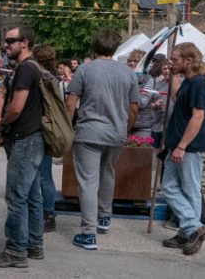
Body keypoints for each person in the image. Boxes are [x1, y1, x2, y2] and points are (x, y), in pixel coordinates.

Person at [65, 29, 139, 251]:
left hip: (89, 131)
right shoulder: (128, 73)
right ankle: (105, 218)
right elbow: (134, 107)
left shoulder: (85, 70)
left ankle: (88, 232)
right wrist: (125, 128)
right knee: (107, 173)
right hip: (115, 133)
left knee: (88, 181)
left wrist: (67, 128)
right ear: (115, 48)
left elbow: (70, 103)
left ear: (94, 46)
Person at [0, 25, 44, 269]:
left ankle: (16, 250)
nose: (6, 45)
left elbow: (17, 107)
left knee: (17, 197)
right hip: (33, 138)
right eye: (5, 41)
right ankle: (33, 243)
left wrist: (2, 124)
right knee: (32, 195)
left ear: (26, 43)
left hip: (25, 139)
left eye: (11, 41)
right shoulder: (33, 68)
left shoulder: (25, 70)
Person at [160, 42, 205, 256]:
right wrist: (171, 77)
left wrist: (182, 145)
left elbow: (197, 116)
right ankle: (191, 227)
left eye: (175, 59)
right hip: (177, 144)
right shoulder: (188, 81)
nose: (171, 62)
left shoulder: (200, 83)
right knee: (169, 186)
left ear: (188, 61)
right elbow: (177, 101)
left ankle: (192, 230)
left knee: (190, 189)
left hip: (188, 146)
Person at [32, 43, 60, 233]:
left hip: (41, 128)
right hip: (50, 129)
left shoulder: (41, 78)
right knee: (45, 174)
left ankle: (46, 213)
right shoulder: (54, 78)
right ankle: (48, 213)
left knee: (40, 174)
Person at [134, 54, 168, 139]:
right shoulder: (156, 81)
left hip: (151, 124)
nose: (153, 63)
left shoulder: (152, 80)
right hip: (149, 122)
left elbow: (143, 102)